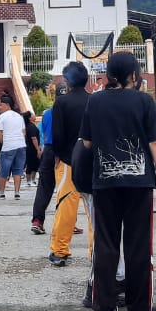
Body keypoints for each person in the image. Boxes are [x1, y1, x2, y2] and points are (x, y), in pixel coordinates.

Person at [79, 51, 156, 311]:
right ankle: (139, 310)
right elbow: (155, 144)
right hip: (139, 184)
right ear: (134, 75)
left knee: (106, 244)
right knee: (138, 246)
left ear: (109, 75)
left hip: (105, 184)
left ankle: (105, 309)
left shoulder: (94, 101)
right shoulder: (144, 102)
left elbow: (86, 143)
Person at [48, 62, 93, 266]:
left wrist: (57, 155)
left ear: (67, 80)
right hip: (92, 161)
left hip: (68, 160)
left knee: (66, 206)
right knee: (94, 209)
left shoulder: (61, 103)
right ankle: (96, 251)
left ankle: (60, 250)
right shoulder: (94, 101)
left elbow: (57, 135)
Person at [29, 104, 57, 234]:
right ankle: (68, 222)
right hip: (65, 151)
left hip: (48, 150)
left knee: (44, 187)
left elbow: (45, 133)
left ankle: (37, 220)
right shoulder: (70, 109)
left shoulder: (47, 114)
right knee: (67, 190)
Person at [0, 95, 26, 200]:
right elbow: (24, 132)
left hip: (8, 146)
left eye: (1, 105)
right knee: (18, 170)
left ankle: (2, 192)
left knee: (4, 170)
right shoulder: (19, 116)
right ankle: (17, 192)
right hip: (21, 145)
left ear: (7, 105)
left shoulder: (2, 116)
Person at [23, 111, 42, 186]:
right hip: (32, 148)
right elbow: (34, 138)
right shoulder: (31, 127)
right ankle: (29, 181)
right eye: (32, 115)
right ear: (29, 117)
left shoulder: (29, 126)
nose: (34, 115)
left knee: (35, 164)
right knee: (31, 164)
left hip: (30, 147)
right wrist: (37, 149)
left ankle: (32, 180)